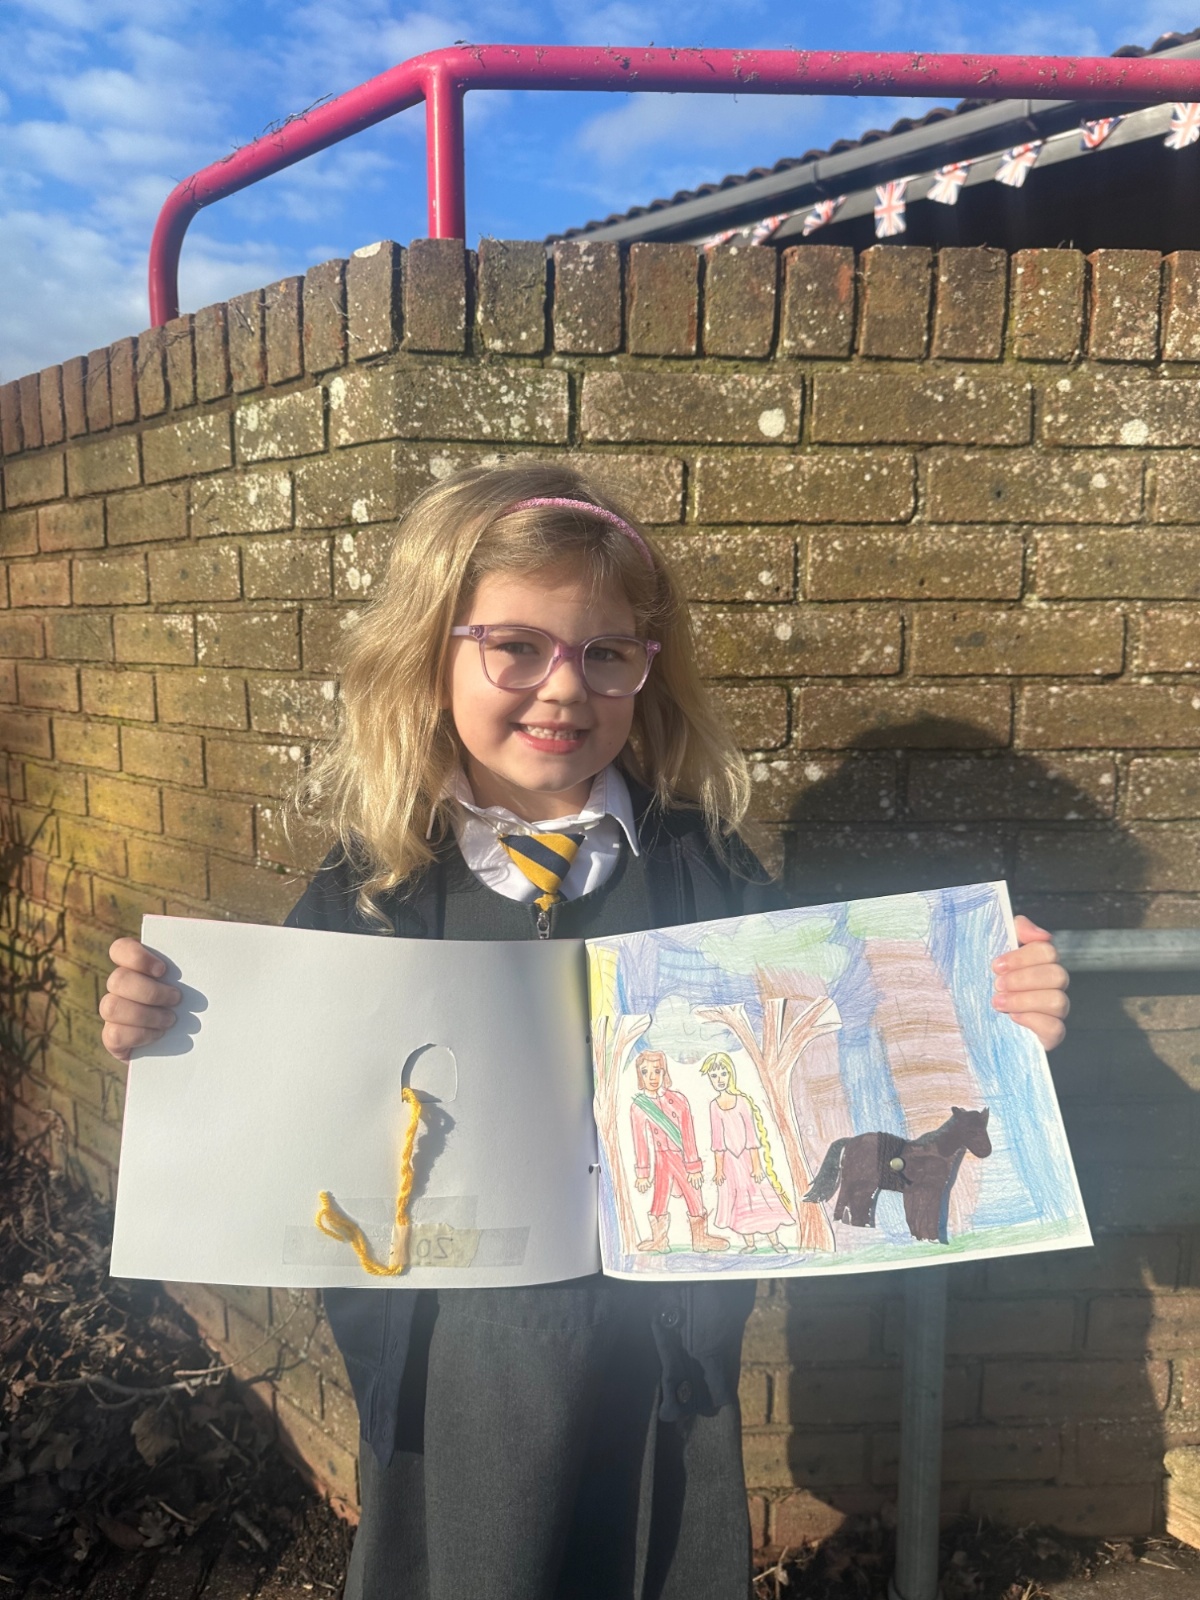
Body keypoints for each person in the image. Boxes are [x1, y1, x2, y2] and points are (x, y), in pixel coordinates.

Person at [99, 462, 1071, 1600]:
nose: (564, 688)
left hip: (658, 1358)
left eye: (606, 653)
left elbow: (826, 1041)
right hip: (452, 1362)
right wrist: (168, 1029)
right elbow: (284, 1080)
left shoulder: (701, 865)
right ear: (430, 653)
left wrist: (990, 1018)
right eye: (516, 646)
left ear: (647, 671)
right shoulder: (377, 884)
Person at [630, 1048, 728, 1254]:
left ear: (664, 1073)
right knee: (659, 1197)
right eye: (646, 1072)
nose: (652, 1077)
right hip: (661, 1160)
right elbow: (640, 1143)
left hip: (682, 1157)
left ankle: (700, 1239)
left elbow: (688, 1134)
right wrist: (642, 1174)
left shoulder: (678, 1100)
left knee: (694, 1194)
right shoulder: (639, 1107)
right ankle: (659, 1240)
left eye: (657, 1071)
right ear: (639, 1075)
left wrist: (694, 1167)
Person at [700, 1051, 793, 1256]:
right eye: (714, 1076)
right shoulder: (714, 1106)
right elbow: (717, 1141)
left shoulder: (741, 1101)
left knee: (760, 1198)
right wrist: (719, 1170)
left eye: (723, 1074)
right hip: (730, 1164)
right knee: (738, 1202)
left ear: (730, 1074)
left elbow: (752, 1136)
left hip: (748, 1160)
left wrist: (757, 1166)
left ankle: (774, 1241)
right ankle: (750, 1243)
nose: (719, 1079)